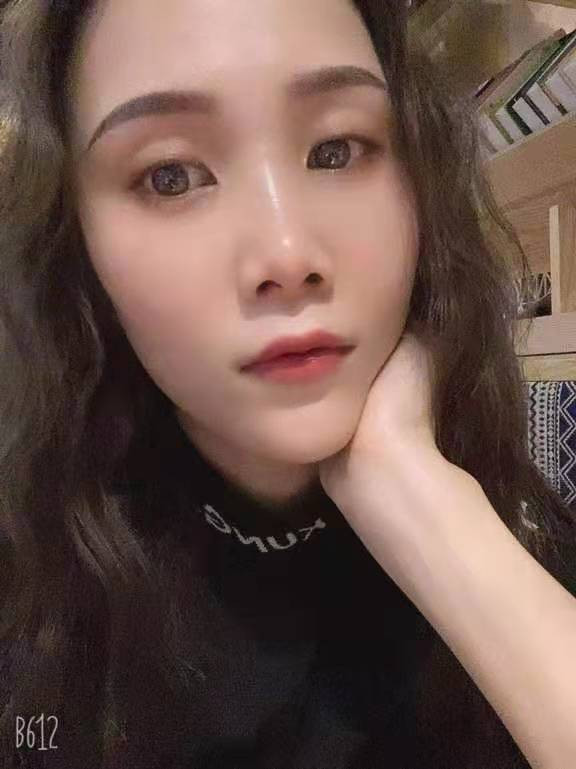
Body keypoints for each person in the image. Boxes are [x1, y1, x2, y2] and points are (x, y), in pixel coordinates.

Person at [0, 1, 574, 767]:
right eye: (171, 176)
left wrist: (419, 497)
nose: (287, 252)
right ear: (76, 243)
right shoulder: (29, 604)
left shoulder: (519, 526)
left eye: (335, 150)